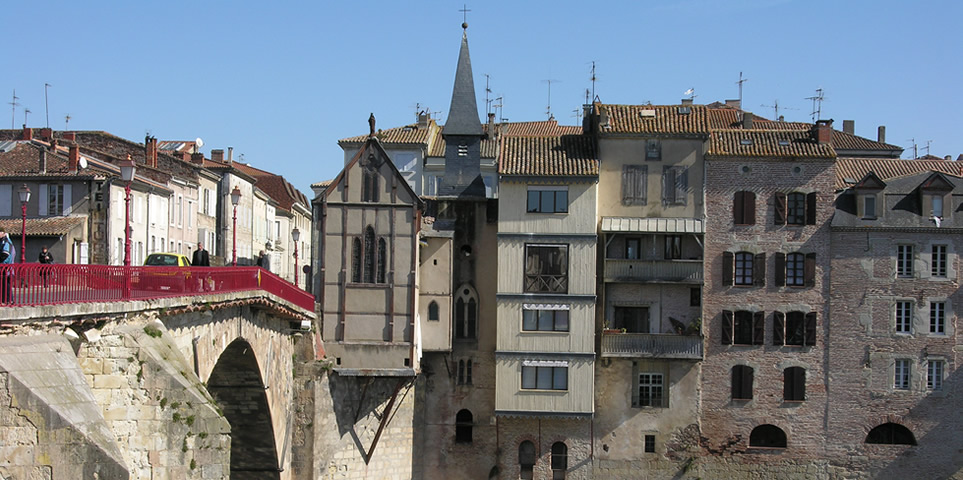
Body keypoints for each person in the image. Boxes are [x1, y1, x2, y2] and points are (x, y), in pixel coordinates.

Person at [0, 228, 15, 303]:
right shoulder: (3, 241)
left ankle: (9, 300)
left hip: (6, 267)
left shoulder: (5, 242)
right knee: (4, 284)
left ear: (3, 233)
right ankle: (5, 300)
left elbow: (5, 254)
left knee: (6, 284)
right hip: (5, 266)